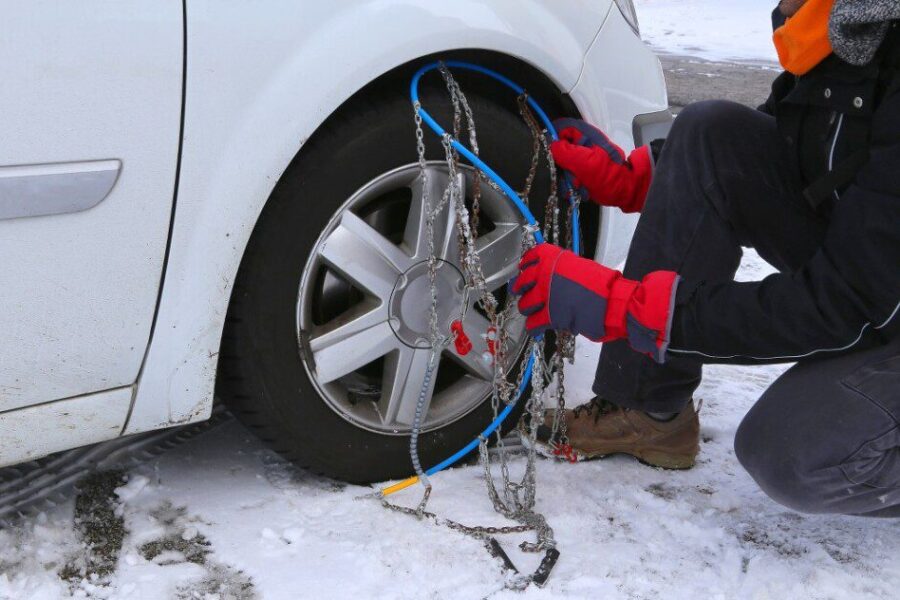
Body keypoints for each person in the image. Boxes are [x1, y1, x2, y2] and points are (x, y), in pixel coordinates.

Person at [511, 0, 900, 517]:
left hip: (876, 297)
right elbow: (773, 144)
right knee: (707, 131)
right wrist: (643, 177)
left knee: (793, 452)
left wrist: (632, 309)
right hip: (877, 270)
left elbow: (849, 304)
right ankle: (647, 410)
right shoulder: (850, 26)